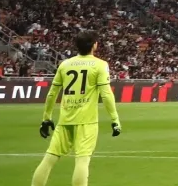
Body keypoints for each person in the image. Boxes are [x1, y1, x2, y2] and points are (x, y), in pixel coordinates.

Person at [32, 30, 120, 186]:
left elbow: (52, 93)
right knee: (82, 161)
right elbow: (106, 94)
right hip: (86, 121)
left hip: (65, 120)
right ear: (94, 45)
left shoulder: (65, 64)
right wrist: (115, 119)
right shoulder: (100, 65)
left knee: (49, 159)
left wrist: (46, 118)